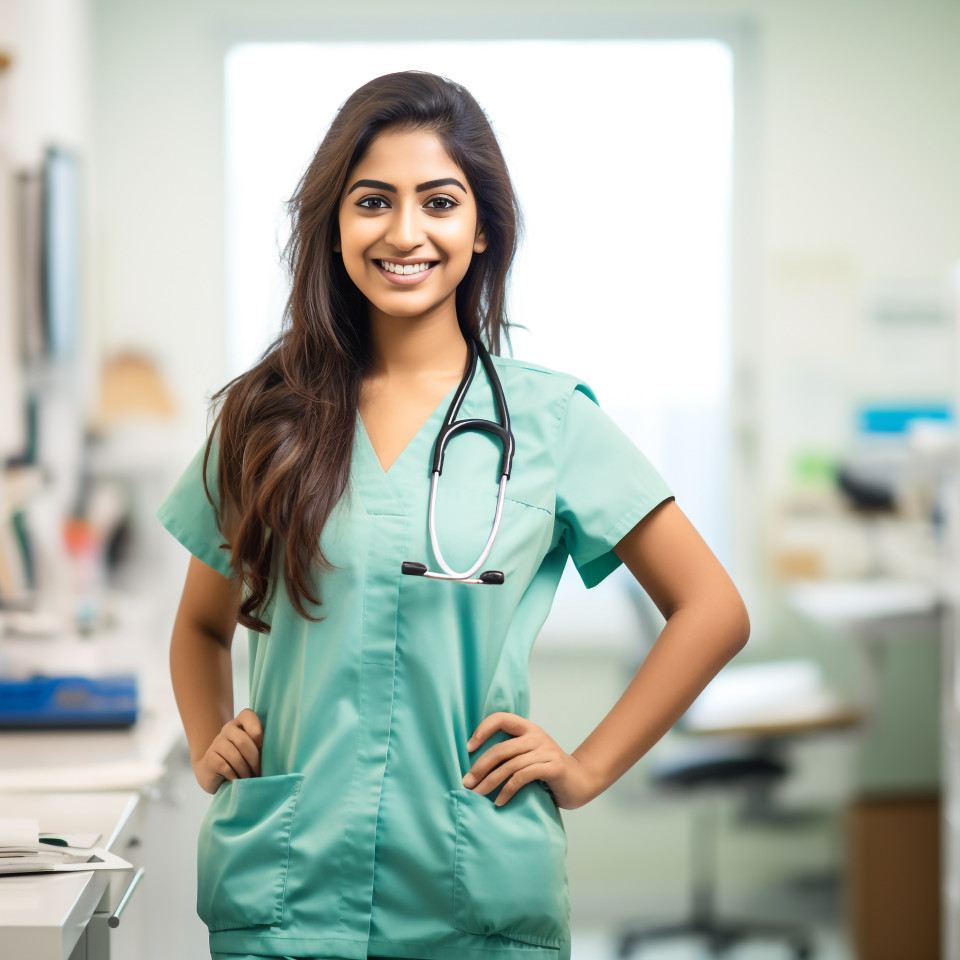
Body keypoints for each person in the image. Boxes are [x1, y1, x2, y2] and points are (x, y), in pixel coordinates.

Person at [157, 69, 750, 960]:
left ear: (483, 231)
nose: (405, 233)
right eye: (372, 202)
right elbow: (201, 629)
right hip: (286, 890)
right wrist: (210, 743)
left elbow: (713, 611)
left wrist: (584, 768)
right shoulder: (263, 418)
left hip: (472, 891)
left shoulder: (551, 422)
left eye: (439, 201)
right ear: (333, 228)